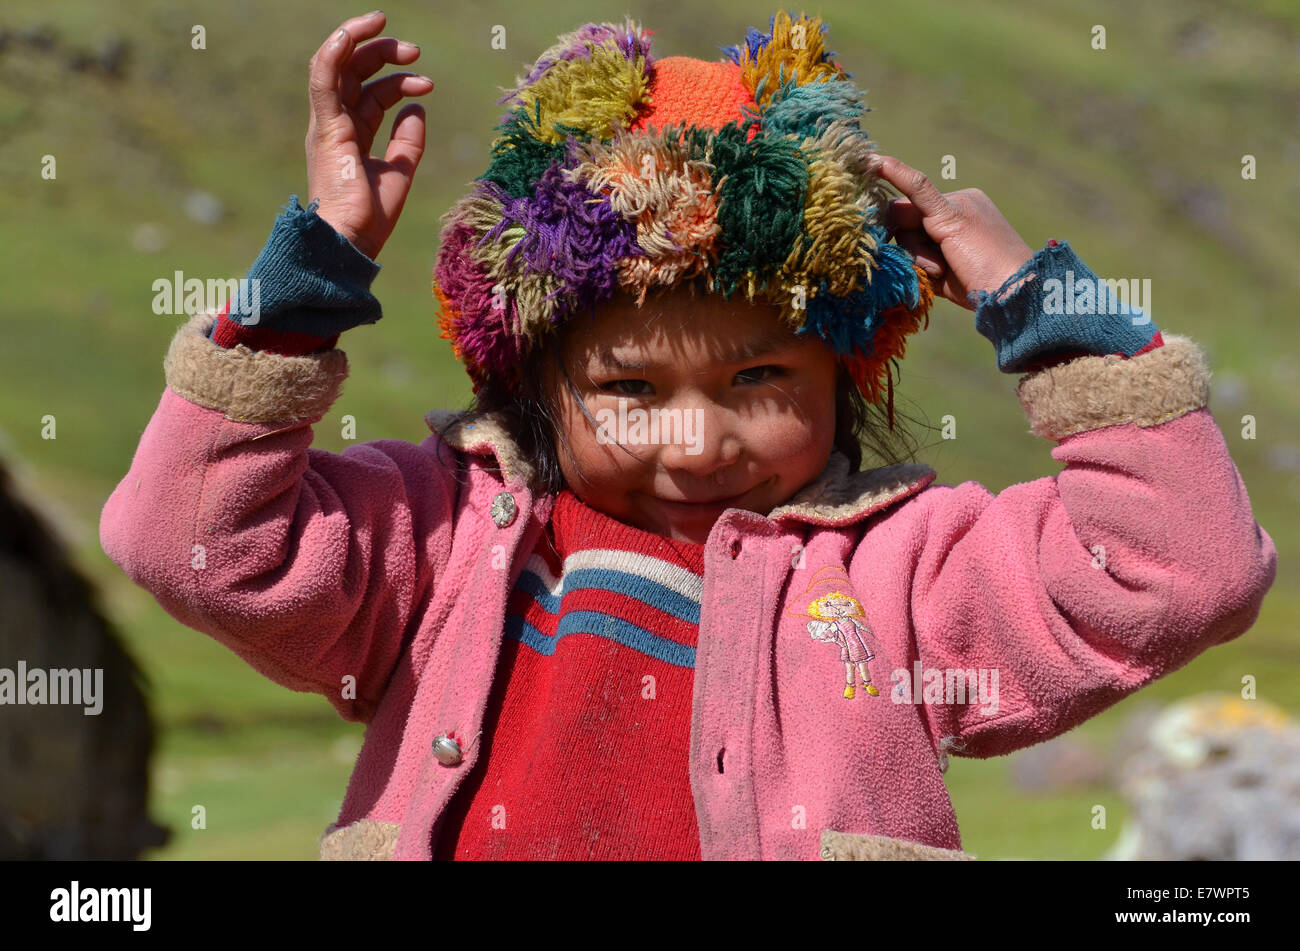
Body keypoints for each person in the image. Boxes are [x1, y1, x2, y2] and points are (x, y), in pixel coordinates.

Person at [99, 10, 1277, 861]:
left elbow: (1183, 572)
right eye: (626, 385)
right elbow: (189, 543)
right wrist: (304, 290)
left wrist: (1048, 313)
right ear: (535, 381)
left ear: (845, 370)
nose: (698, 441)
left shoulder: (901, 580)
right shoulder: (443, 543)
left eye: (760, 374)